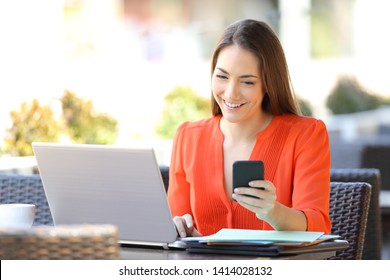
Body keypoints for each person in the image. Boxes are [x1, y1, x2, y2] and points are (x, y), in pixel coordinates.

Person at [167, 19, 331, 238]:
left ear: (268, 84)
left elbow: (318, 226)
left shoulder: (306, 134)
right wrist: (177, 227)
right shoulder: (188, 137)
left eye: (247, 82)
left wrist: (272, 211)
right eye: (222, 76)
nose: (231, 93)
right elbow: (176, 223)